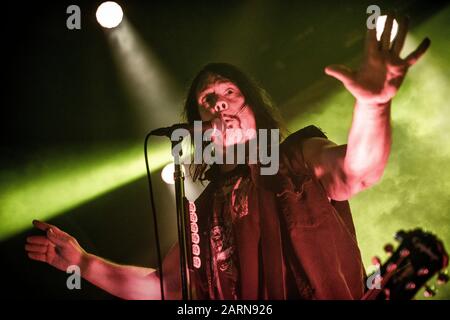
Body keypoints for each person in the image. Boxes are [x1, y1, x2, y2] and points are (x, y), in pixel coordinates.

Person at [25, 15, 429, 299]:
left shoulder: (296, 157)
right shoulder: (202, 208)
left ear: (253, 105)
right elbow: (164, 287)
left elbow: (357, 171)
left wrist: (374, 106)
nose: (219, 104)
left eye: (230, 92)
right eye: (207, 101)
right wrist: (82, 262)